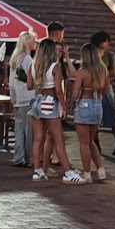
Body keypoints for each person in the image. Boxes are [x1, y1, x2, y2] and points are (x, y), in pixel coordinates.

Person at [28, 37, 82, 183]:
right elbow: (58, 90)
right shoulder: (55, 67)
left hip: (36, 100)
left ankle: (37, 170)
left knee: (38, 138)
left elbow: (29, 86)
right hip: (50, 101)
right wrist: (63, 106)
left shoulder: (33, 65)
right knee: (58, 138)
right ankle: (68, 173)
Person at [69, 42, 109, 182]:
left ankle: (87, 174)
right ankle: (100, 169)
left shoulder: (82, 72)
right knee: (90, 141)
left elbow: (74, 94)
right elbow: (106, 90)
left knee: (84, 143)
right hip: (97, 105)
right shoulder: (103, 70)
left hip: (84, 105)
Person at [89, 29, 115, 159]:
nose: (108, 43)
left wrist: (99, 73)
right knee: (95, 118)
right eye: (106, 40)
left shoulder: (110, 56)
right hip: (92, 87)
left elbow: (114, 72)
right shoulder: (91, 55)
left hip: (105, 87)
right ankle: (96, 144)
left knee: (112, 116)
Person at [7, 34, 36, 167]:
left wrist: (13, 98)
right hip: (28, 97)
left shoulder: (15, 58)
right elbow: (33, 78)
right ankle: (29, 158)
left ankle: (19, 157)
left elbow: (11, 81)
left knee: (19, 129)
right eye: (33, 41)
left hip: (18, 98)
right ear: (27, 43)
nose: (35, 43)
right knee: (29, 130)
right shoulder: (27, 58)